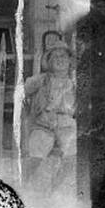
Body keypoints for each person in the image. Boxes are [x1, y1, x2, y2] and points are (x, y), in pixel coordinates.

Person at [22, 39, 76, 194]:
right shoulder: (41, 80)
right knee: (35, 154)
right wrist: (26, 107)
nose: (60, 60)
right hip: (44, 124)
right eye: (56, 57)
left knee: (72, 155)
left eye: (63, 57)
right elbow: (21, 92)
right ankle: (23, 186)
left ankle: (54, 190)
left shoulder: (74, 82)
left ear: (69, 61)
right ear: (49, 62)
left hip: (67, 125)